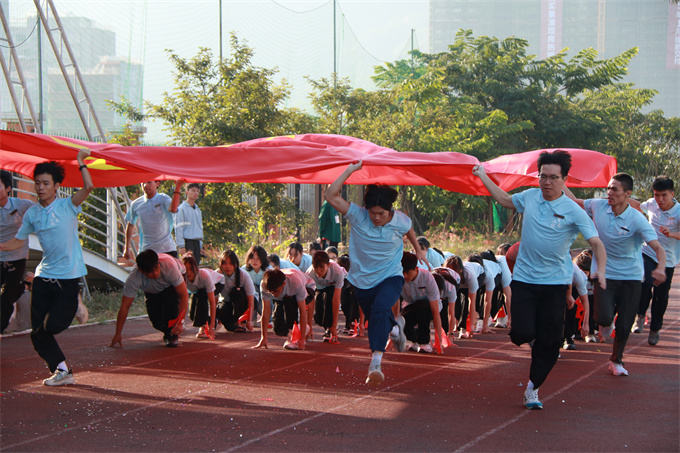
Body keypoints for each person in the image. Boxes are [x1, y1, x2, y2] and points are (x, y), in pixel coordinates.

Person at [473, 149, 607, 409]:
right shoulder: (530, 197)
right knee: (520, 333)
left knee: (551, 342)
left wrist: (599, 270)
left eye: (553, 178)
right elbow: (505, 199)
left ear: (564, 179)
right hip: (525, 279)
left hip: (555, 283)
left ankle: (532, 388)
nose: (547, 182)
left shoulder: (573, 210)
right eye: (543, 176)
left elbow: (596, 243)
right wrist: (483, 175)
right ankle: (535, 339)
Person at [324, 161, 425, 387]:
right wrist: (350, 170)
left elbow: (408, 228)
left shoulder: (399, 219)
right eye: (372, 213)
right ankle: (395, 328)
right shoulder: (357, 215)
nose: (376, 218)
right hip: (362, 281)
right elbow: (330, 195)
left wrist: (417, 249)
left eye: (381, 213)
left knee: (380, 309)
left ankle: (375, 364)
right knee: (378, 318)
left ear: (390, 211)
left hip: (391, 276)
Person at [0, 151, 94, 385]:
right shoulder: (32, 212)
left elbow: (89, 187)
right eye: (37, 183)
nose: (40, 188)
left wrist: (81, 162)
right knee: (38, 333)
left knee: (51, 325)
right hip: (43, 275)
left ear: (56, 186)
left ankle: (75, 302)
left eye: (45, 183)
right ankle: (62, 371)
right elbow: (18, 241)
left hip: (68, 275)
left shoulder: (67, 205)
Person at [564, 173, 666, 376]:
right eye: (608, 188)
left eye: (614, 189)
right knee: (602, 317)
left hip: (631, 276)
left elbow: (657, 247)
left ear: (627, 194)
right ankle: (607, 322)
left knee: (625, 323)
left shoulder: (637, 219)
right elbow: (574, 202)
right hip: (605, 273)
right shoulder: (598, 206)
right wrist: (560, 181)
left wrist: (661, 267)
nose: (609, 192)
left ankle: (616, 360)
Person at [628, 176, 679, 346]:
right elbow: (637, 206)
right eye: (657, 195)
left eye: (664, 195)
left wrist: (671, 233)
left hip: (668, 260)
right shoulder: (651, 203)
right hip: (648, 252)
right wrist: (621, 195)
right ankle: (640, 315)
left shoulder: (678, 212)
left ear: (672, 194)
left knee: (660, 296)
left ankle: (655, 329)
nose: (660, 199)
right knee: (644, 282)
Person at [110, 250, 189, 348]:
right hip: (152, 290)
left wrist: (180, 322)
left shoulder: (169, 267)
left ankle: (171, 335)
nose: (155, 274)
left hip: (171, 284)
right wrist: (118, 334)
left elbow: (183, 295)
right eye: (150, 273)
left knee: (171, 305)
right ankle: (168, 329)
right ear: (141, 271)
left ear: (158, 263)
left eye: (156, 268)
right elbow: (125, 306)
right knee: (157, 322)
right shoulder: (134, 279)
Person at [0, 169, 34, 333]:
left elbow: (41, 210)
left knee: (5, 297)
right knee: (7, 296)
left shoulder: (21, 205)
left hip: (16, 259)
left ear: (8, 188)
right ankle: (25, 286)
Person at [256, 268, 315, 350]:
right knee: (278, 329)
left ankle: (294, 336)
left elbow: (302, 310)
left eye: (276, 291)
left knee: (289, 302)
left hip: (307, 287)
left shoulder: (295, 282)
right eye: (271, 292)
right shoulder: (264, 285)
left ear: (283, 284)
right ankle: (299, 329)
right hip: (284, 296)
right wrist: (263, 337)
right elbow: (266, 311)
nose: (274, 294)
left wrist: (301, 338)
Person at [123, 179, 183, 260]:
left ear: (157, 184)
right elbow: (130, 224)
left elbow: (173, 209)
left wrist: (177, 188)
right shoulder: (136, 204)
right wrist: (127, 248)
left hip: (167, 249)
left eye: (149, 182)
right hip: (147, 250)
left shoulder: (163, 198)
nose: (145, 185)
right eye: (143, 182)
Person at [400, 252, 443, 353]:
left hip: (429, 307)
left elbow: (435, 312)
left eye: (407, 272)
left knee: (421, 305)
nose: (405, 276)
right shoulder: (399, 279)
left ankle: (424, 343)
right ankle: (415, 339)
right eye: (402, 272)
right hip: (411, 306)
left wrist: (439, 342)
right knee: (401, 323)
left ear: (416, 269)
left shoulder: (427, 277)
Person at [307, 250, 346, 343]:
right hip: (320, 287)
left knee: (329, 298)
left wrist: (334, 326)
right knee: (319, 317)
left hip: (336, 286)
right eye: (316, 268)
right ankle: (326, 325)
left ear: (328, 265)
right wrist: (309, 327)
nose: (319, 271)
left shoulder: (337, 272)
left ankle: (330, 328)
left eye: (322, 268)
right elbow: (309, 301)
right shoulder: (309, 274)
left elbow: (336, 300)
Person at [182, 253, 223, 339]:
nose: (189, 272)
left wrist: (212, 327)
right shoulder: (182, 278)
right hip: (199, 290)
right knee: (193, 315)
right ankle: (216, 320)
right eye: (186, 270)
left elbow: (212, 302)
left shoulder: (204, 276)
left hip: (218, 282)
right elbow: (181, 300)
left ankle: (205, 325)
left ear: (196, 268)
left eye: (191, 269)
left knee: (202, 295)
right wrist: (179, 324)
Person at [215, 249, 255, 333]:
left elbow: (251, 299)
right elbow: (213, 298)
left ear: (236, 264)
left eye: (231, 263)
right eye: (225, 263)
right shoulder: (217, 275)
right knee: (230, 327)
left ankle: (241, 322)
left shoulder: (243, 275)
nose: (228, 266)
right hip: (226, 302)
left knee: (237, 293)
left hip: (242, 302)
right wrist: (213, 321)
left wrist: (249, 321)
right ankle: (227, 322)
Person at [175, 183, 204, 264]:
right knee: (188, 266)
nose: (196, 193)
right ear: (187, 192)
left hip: (196, 243)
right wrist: (181, 246)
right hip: (187, 242)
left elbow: (199, 228)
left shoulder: (198, 210)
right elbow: (179, 228)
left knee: (196, 266)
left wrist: (200, 245)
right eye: (193, 190)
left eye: (197, 191)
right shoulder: (181, 209)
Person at [242, 245, 270, 325]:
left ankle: (268, 318)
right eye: (252, 258)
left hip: (265, 295)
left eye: (258, 259)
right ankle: (251, 318)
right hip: (252, 295)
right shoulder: (244, 270)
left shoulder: (268, 270)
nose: (255, 261)